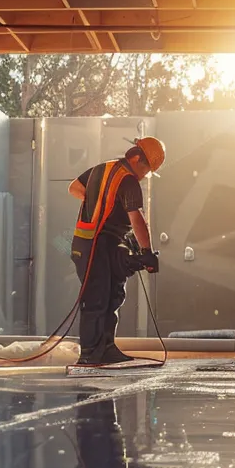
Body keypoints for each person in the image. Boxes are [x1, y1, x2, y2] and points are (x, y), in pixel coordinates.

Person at [68, 137, 164, 366]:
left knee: (112, 295)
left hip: (94, 242)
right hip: (96, 243)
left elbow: (74, 188)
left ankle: (107, 349)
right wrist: (146, 251)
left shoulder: (102, 169)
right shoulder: (128, 180)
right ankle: (90, 355)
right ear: (135, 158)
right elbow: (137, 218)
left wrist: (97, 202)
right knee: (96, 299)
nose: (144, 175)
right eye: (146, 169)